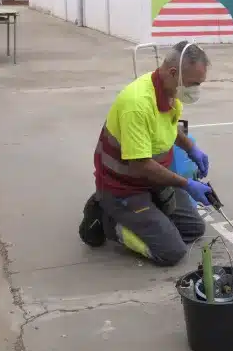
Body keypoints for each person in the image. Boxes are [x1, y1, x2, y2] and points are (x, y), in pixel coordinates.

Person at [78, 41, 214, 267]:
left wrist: (191, 148)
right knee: (171, 252)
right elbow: (140, 164)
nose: (196, 89)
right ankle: (109, 221)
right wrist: (186, 184)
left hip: (156, 181)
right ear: (173, 73)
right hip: (124, 187)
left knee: (193, 229)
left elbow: (169, 127)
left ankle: (146, 216)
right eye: (194, 83)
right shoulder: (137, 104)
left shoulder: (171, 93)